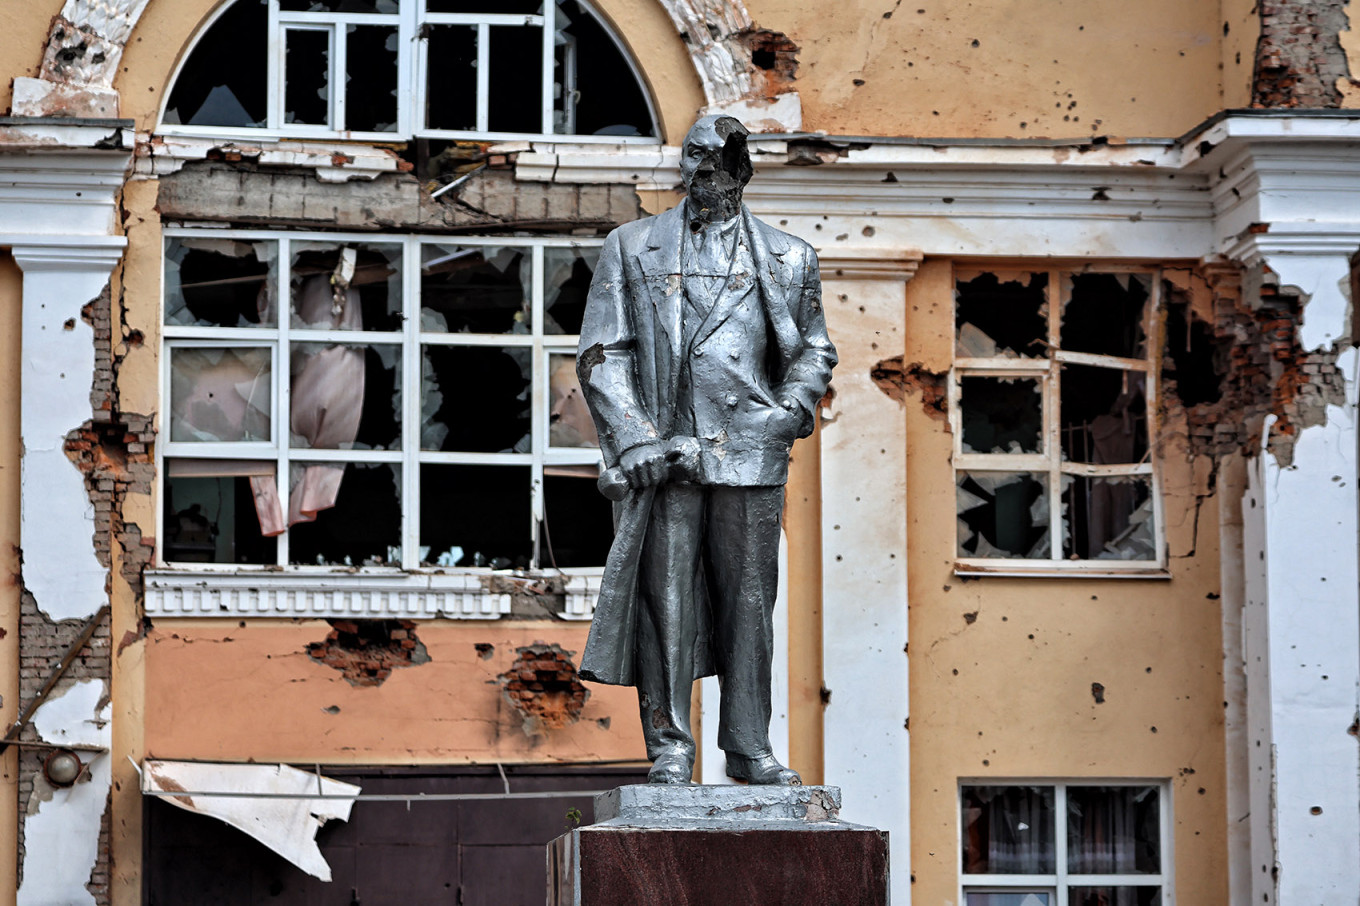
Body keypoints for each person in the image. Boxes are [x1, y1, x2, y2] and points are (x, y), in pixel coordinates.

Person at [575, 114, 837, 784]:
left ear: (743, 170)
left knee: (750, 605)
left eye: (718, 161)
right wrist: (631, 437)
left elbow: (813, 349)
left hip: (751, 454)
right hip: (666, 457)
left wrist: (790, 412)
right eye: (693, 157)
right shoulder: (632, 246)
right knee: (666, 604)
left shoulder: (788, 256)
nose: (703, 172)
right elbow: (604, 352)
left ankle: (748, 745)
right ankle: (669, 746)